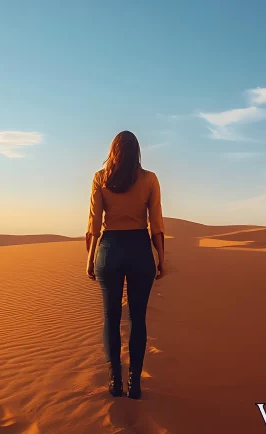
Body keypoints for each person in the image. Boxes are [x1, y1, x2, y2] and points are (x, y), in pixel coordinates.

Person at [85, 130, 166, 399]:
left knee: (111, 317)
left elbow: (94, 224)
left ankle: (114, 381)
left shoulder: (101, 178)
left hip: (109, 250)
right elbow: (156, 223)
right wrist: (162, 259)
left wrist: (89, 259)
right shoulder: (149, 179)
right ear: (137, 152)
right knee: (137, 318)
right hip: (140, 249)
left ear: (114, 151)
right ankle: (135, 383)